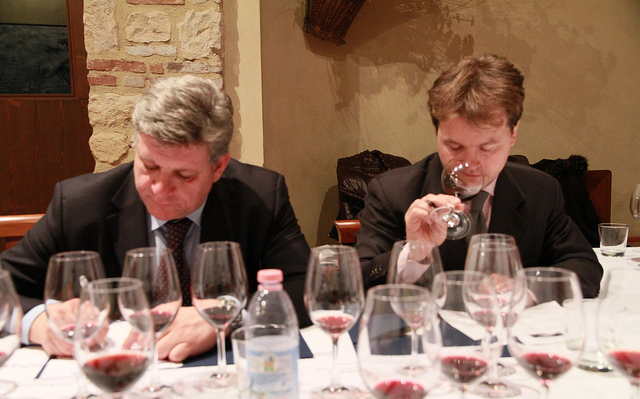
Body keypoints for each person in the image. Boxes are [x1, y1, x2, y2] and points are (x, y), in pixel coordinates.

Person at [0, 75, 312, 362]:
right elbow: (4, 282)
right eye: (149, 167)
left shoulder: (260, 197)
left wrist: (227, 317)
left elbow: (304, 288)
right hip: (118, 373)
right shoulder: (81, 204)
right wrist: (39, 324)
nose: (160, 190)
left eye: (184, 175)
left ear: (218, 167)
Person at [355, 54, 602, 298]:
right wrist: (414, 252)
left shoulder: (540, 190)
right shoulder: (393, 192)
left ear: (513, 134)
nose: (470, 164)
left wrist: (525, 290)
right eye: (454, 146)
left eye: (487, 148)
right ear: (437, 132)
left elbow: (584, 266)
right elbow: (357, 283)